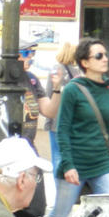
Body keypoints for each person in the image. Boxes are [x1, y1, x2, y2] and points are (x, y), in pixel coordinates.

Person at [33, 38, 109, 217]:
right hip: (75, 163)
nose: (105, 59)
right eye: (99, 56)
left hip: (103, 163)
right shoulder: (73, 90)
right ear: (85, 62)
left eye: (106, 55)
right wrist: (68, 165)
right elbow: (63, 130)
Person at [0, 40, 60, 217]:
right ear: (15, 55)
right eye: (26, 53)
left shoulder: (31, 79)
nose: (31, 57)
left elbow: (49, 110)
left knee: (35, 208)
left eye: (32, 53)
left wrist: (57, 88)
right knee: (10, 208)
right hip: (5, 158)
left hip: (28, 152)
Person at [44, 42, 81, 175]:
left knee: (57, 157)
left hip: (55, 121)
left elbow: (48, 94)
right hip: (73, 122)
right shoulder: (79, 72)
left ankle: (58, 186)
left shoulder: (55, 70)